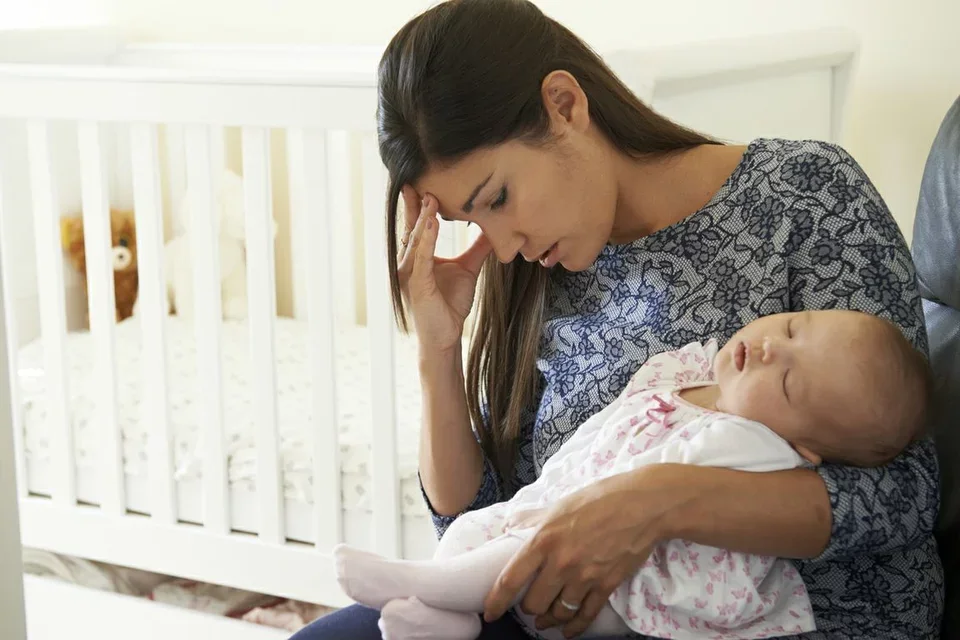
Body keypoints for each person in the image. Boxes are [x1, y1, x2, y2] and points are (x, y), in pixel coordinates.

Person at [290, 0, 943, 638]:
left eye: (499, 197)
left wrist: (655, 503)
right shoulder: (542, 269)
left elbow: (905, 494)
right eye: (472, 220)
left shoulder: (805, 192)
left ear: (565, 106)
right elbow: (483, 529)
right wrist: (438, 351)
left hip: (801, 618)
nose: (504, 244)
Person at [332, 310, 932, 639]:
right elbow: (598, 434)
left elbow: (911, 494)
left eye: (790, 382)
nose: (773, 349)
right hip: (555, 515)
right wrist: (438, 355)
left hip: (626, 591)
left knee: (518, 549)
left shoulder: (758, 446)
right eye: (794, 326)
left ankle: (432, 591)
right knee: (473, 532)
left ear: (805, 446)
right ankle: (442, 619)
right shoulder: (689, 370)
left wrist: (627, 500)